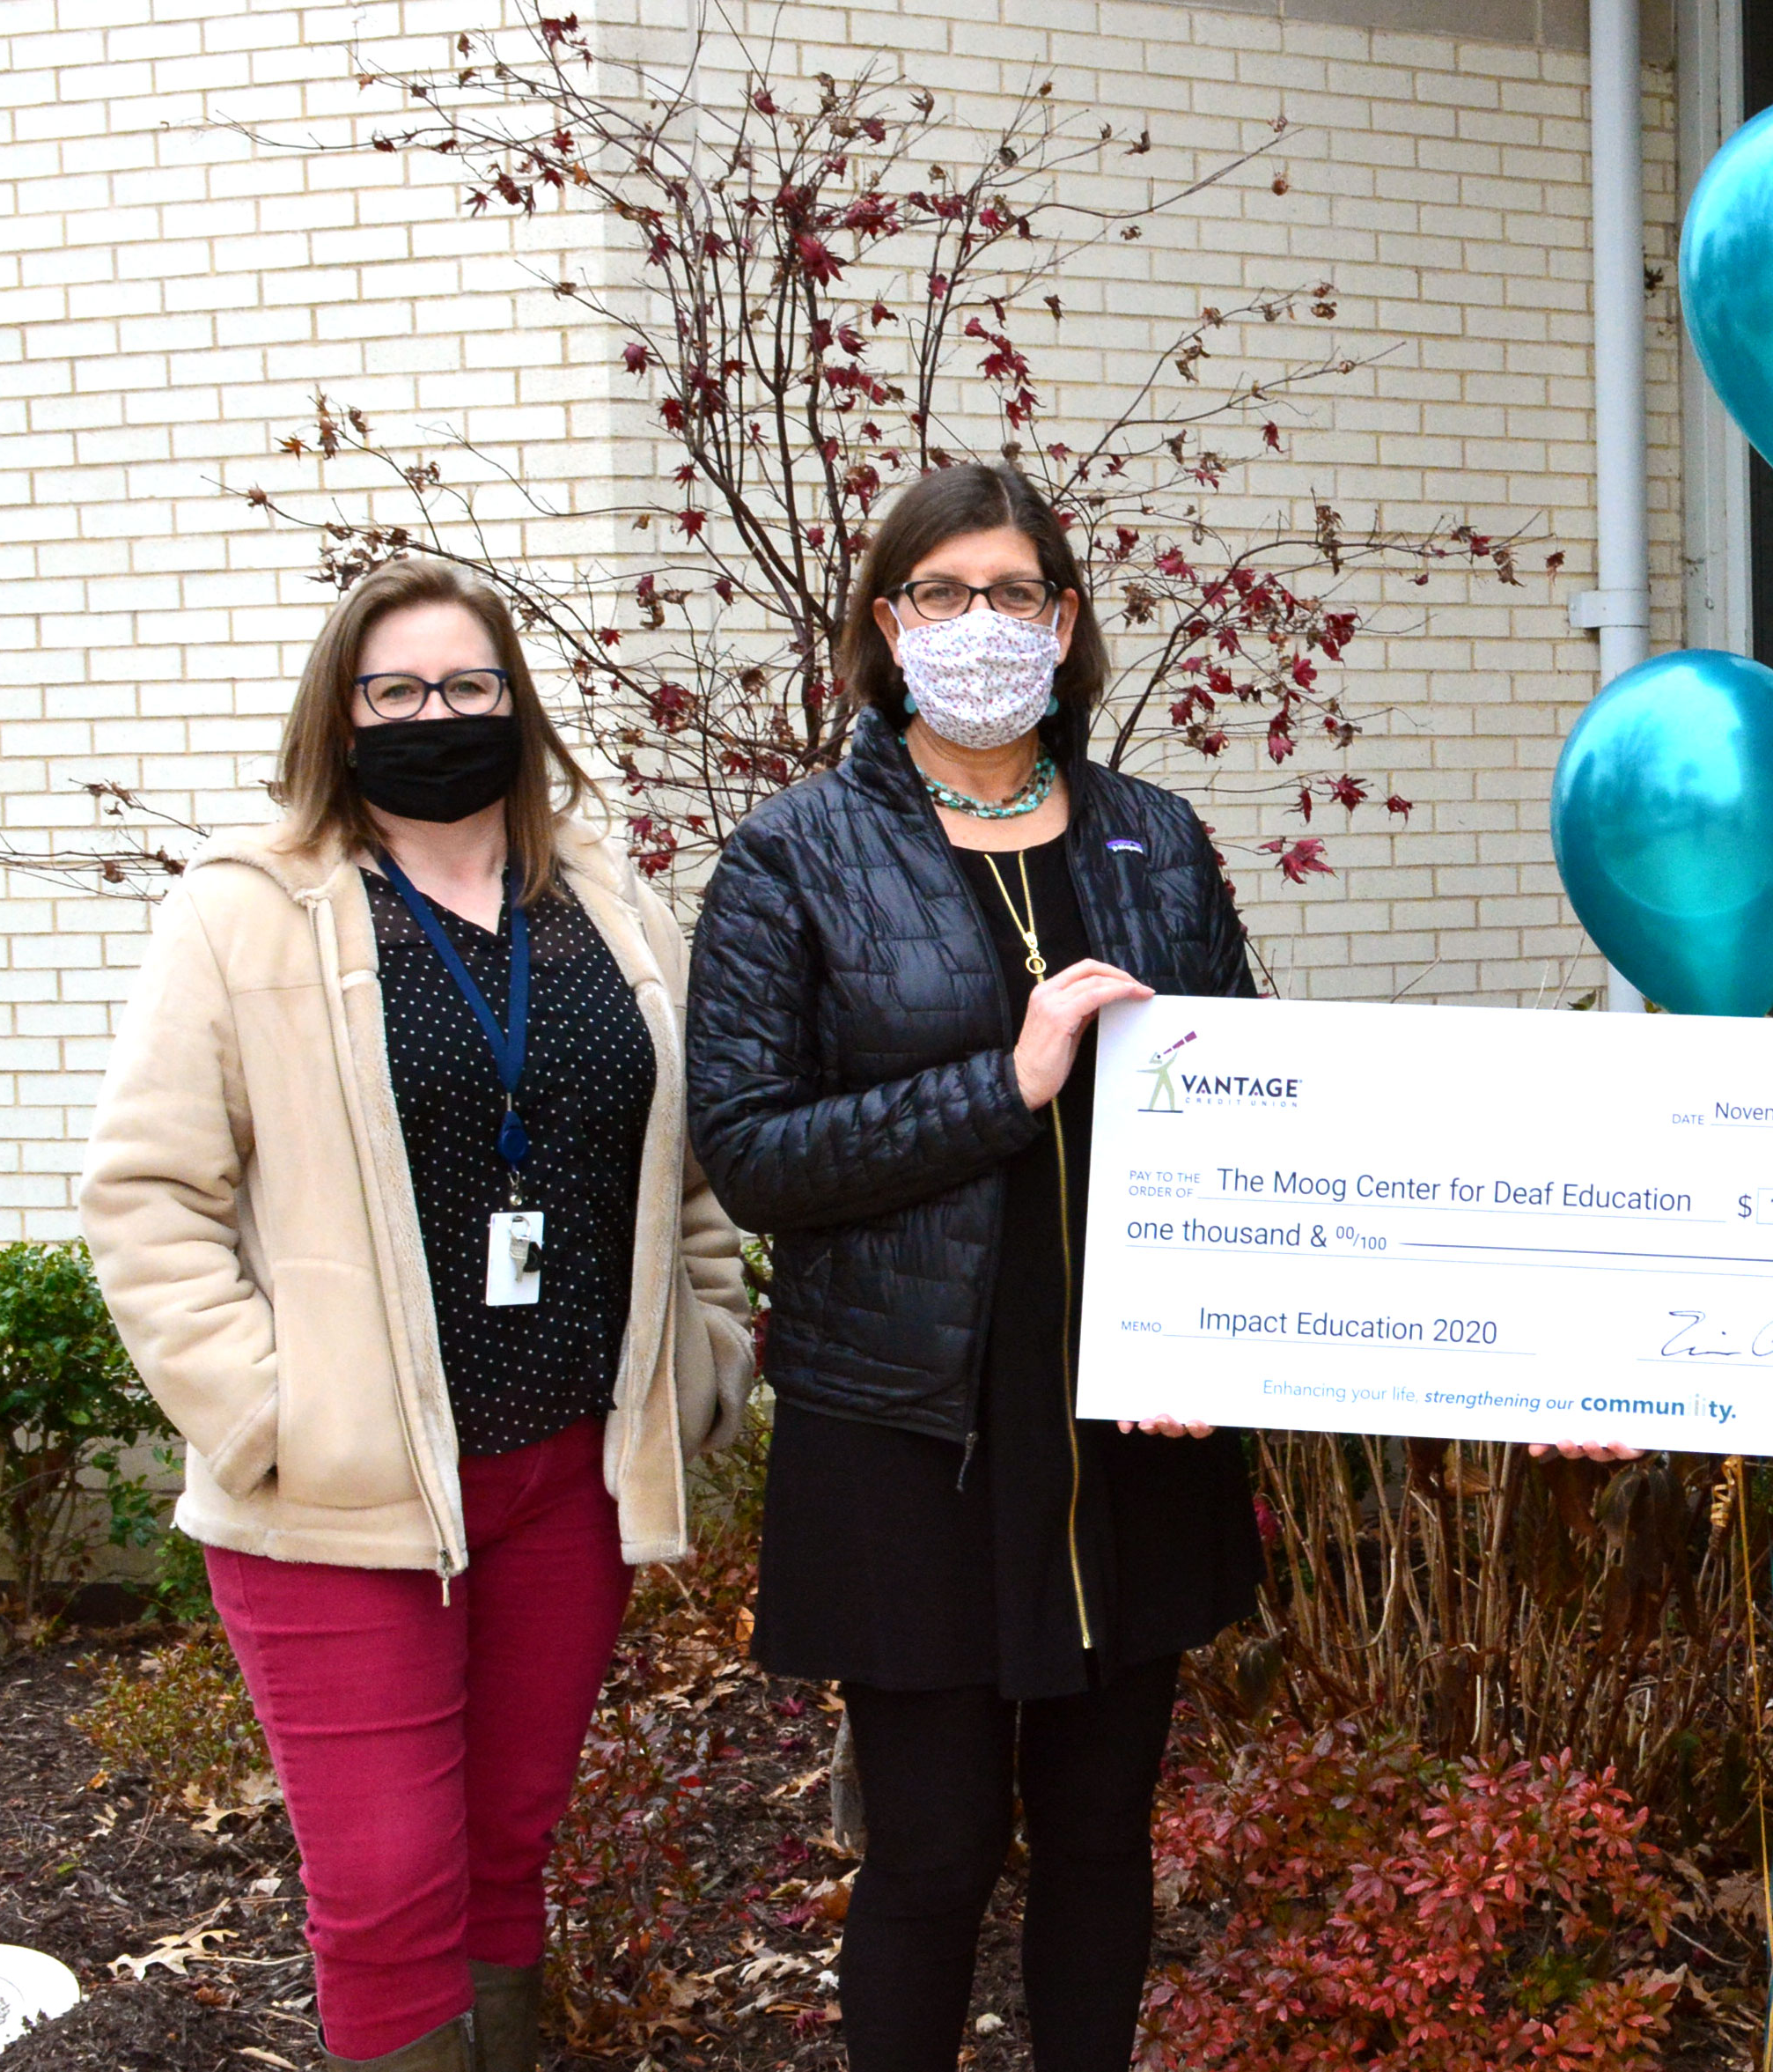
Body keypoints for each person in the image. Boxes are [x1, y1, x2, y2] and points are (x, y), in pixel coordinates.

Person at [80, 559, 761, 2072]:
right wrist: (269, 1413)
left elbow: (689, 1163)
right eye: (394, 690)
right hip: (343, 1496)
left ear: (515, 700)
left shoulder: (603, 900)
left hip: (566, 1472)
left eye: (466, 685)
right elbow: (146, 1194)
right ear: (340, 714)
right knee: (388, 1883)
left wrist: (707, 1342)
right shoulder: (244, 911)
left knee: (508, 1844)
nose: (434, 715)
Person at [681, 461, 1262, 2072]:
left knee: (1102, 1840)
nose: (981, 623)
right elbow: (753, 1151)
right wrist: (1002, 1083)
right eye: (942, 593)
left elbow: (1246, 1107)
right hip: (912, 1430)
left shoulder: (1154, 838)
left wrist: (1211, 1338)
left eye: (1015, 593)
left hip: (1130, 1421)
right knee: (932, 1853)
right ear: (888, 624)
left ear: (1064, 623)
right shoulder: (792, 857)